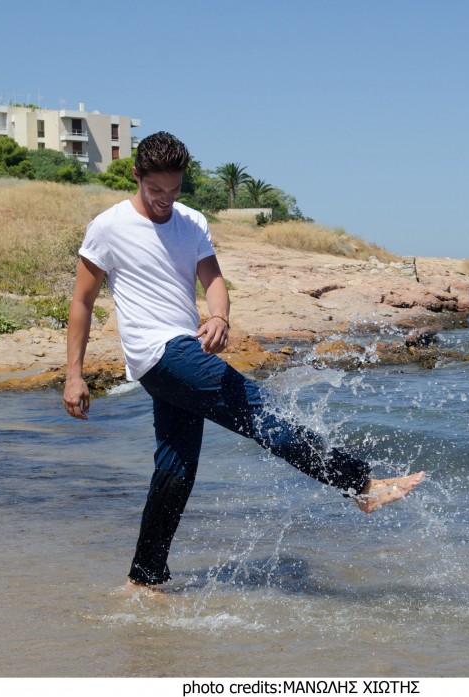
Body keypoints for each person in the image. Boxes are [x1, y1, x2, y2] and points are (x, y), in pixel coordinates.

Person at [62, 131, 424, 588]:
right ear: (136, 176)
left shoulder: (190, 222)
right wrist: (74, 374)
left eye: (174, 190)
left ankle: (144, 579)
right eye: (156, 191)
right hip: (159, 353)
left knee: (176, 468)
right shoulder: (108, 227)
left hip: (186, 348)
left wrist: (219, 318)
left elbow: (212, 280)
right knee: (261, 410)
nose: (164, 201)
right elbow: (82, 301)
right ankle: (360, 486)